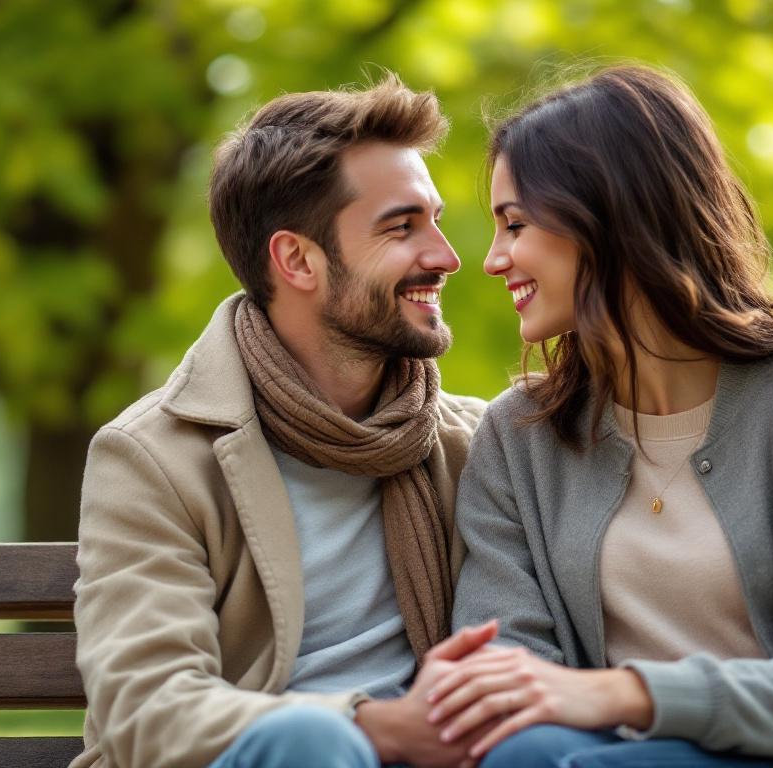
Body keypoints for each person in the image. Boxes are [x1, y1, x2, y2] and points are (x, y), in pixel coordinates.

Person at [432, 65, 773, 768]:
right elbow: (510, 683)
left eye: (515, 224)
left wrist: (627, 695)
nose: (491, 260)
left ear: (610, 213)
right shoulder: (520, 438)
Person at [68, 75, 495, 768]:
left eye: (436, 219)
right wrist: (371, 728)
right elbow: (147, 712)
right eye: (401, 227)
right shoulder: (152, 459)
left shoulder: (469, 445)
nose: (446, 257)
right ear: (298, 259)